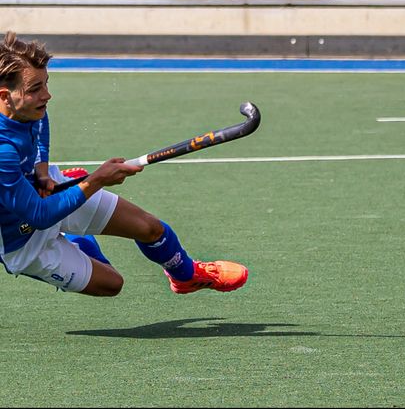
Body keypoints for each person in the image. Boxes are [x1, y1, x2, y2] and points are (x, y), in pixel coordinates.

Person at [0, 31, 248, 296]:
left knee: (150, 228)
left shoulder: (25, 106)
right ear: (5, 96)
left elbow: (40, 119)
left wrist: (42, 172)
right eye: (36, 89)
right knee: (112, 284)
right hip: (22, 239)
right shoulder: (3, 151)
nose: (47, 95)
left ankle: (187, 276)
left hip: (41, 191)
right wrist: (94, 182)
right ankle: (76, 234)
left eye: (46, 84)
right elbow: (40, 216)